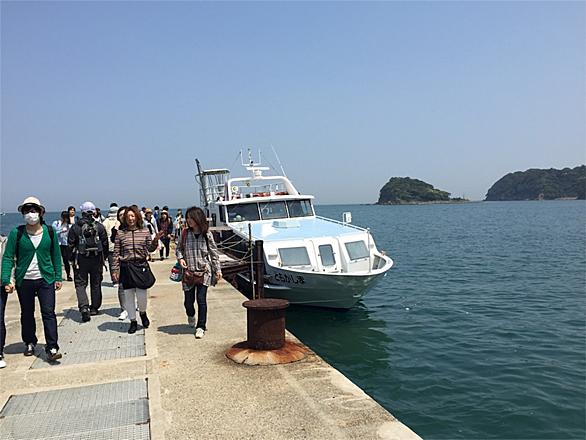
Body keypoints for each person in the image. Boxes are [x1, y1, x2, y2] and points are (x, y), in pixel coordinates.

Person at [1, 196, 63, 362]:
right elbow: (8, 257)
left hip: (46, 279)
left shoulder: (49, 231)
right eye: (27, 211)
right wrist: (6, 279)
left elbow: (56, 255)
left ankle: (52, 346)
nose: (30, 214)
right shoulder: (17, 233)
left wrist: (58, 276)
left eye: (33, 210)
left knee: (48, 312)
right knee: (27, 313)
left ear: (40, 212)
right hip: (25, 280)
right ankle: (29, 341)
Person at [112, 205, 162, 334]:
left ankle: (143, 313)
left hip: (140, 266)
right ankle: (133, 321)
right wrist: (115, 270)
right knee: (128, 296)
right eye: (128, 216)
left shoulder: (144, 231)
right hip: (126, 267)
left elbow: (150, 249)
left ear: (137, 217)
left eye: (132, 216)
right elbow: (116, 253)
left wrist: (156, 240)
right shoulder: (120, 233)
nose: (130, 219)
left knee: (141, 295)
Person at [176, 206, 222, 339]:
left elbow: (214, 253)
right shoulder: (184, 233)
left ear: (198, 218)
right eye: (187, 218)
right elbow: (178, 249)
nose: (189, 220)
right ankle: (191, 315)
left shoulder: (206, 234)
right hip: (189, 273)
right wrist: (180, 259)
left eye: (191, 218)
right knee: (188, 302)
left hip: (204, 272)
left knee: (201, 300)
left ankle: (201, 326)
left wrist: (217, 270)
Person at [68, 201, 108, 322]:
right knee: (96, 283)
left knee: (80, 284)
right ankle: (95, 308)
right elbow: (105, 243)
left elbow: (70, 244)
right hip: (96, 258)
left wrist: (71, 259)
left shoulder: (75, 227)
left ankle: (84, 307)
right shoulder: (99, 226)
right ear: (93, 212)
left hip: (81, 259)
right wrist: (103, 258)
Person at [110, 206, 128, 320]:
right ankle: (124, 309)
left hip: (133, 261)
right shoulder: (117, 229)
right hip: (121, 260)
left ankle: (133, 304)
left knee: (134, 285)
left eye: (123, 214)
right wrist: (115, 229)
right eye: (119, 215)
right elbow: (112, 240)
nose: (122, 217)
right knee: (121, 285)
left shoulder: (134, 227)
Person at [52, 211, 73, 281]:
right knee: (56, 259)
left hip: (65, 244)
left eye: (67, 218)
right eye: (65, 217)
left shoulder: (69, 225)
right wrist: (61, 231)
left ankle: (68, 274)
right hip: (57, 243)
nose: (66, 219)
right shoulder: (56, 223)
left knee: (66, 260)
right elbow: (53, 232)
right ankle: (56, 275)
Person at [102, 205, 119, 274]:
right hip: (120, 246)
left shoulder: (105, 222)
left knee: (112, 264)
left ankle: (114, 280)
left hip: (109, 246)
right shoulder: (120, 221)